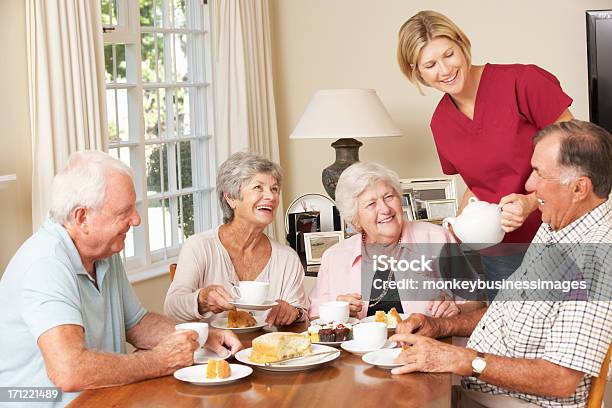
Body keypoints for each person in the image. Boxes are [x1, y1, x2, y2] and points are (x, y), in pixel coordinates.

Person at [391, 120, 612, 408]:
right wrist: (440, 325)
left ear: (579, 188)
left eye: (539, 174)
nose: (529, 185)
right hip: (480, 389)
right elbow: (506, 313)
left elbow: (560, 379)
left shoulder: (597, 258)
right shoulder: (556, 224)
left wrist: (460, 359)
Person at [0, 151, 242, 407]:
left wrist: (204, 335)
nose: (136, 220)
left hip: (100, 398)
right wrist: (159, 361)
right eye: (124, 211)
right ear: (83, 218)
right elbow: (69, 371)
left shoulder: (103, 252)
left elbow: (136, 324)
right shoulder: (45, 264)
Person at [396, 10, 575, 295]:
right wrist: (461, 221)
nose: (444, 70)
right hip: (501, 253)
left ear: (461, 43)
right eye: (429, 64)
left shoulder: (522, 82)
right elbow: (480, 183)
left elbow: (579, 154)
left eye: (448, 54)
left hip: (562, 236)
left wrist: (531, 202)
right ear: (416, 72)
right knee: (506, 336)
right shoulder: (440, 123)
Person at [308, 161, 482, 320]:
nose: (385, 209)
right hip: (359, 352)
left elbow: (477, 301)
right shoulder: (334, 257)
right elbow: (315, 318)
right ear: (355, 219)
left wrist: (456, 309)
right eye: (371, 204)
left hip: (426, 348)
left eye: (389, 197)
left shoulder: (437, 238)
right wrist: (338, 312)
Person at [164, 152, 307, 326]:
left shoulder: (287, 258)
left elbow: (302, 315)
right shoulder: (200, 246)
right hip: (214, 351)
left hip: (268, 351)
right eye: (258, 187)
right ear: (231, 198)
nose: (271, 196)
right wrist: (202, 299)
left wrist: (294, 312)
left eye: (274, 189)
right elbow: (171, 307)